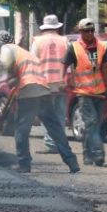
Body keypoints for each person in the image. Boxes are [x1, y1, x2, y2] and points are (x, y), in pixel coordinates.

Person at [0, 30, 80, 174]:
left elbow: (4, 69)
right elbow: (19, 77)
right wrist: (13, 82)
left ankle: (24, 163)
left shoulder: (6, 49)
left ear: (0, 43)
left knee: (21, 129)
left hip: (29, 92)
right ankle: (72, 162)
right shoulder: (24, 52)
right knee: (56, 129)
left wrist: (1, 83)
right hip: (44, 90)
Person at [62, 18, 107, 166]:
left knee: (95, 125)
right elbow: (64, 66)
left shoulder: (102, 47)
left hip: (99, 93)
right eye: (86, 31)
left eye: (92, 30)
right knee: (90, 123)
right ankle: (98, 154)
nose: (90, 33)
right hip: (83, 93)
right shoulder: (74, 48)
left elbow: (104, 69)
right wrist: (65, 80)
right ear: (80, 31)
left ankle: (87, 155)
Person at [31, 14, 69, 155]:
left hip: (44, 84)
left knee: (46, 115)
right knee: (59, 115)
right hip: (61, 84)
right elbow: (71, 62)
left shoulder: (37, 41)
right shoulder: (65, 41)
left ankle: (51, 144)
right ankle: (59, 143)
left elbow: (32, 63)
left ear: (44, 28)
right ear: (57, 27)